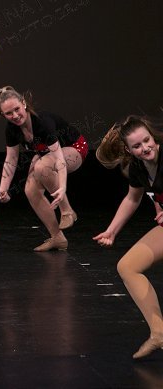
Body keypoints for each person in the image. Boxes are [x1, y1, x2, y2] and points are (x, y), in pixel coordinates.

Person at [94, 116, 163, 359]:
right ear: (128, 150)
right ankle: (159, 333)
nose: (145, 148)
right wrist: (112, 230)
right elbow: (132, 198)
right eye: (137, 146)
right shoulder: (138, 167)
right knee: (127, 266)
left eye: (147, 140)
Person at [0, 86, 87, 251]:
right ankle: (57, 237)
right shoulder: (11, 129)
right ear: (3, 115)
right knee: (30, 190)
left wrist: (62, 187)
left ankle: (67, 211)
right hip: (46, 154)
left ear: (23, 103)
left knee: (41, 166)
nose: (15, 115)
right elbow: (11, 159)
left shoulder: (42, 122)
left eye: (17, 109)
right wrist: (3, 188)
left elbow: (59, 158)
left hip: (75, 149)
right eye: (9, 113)